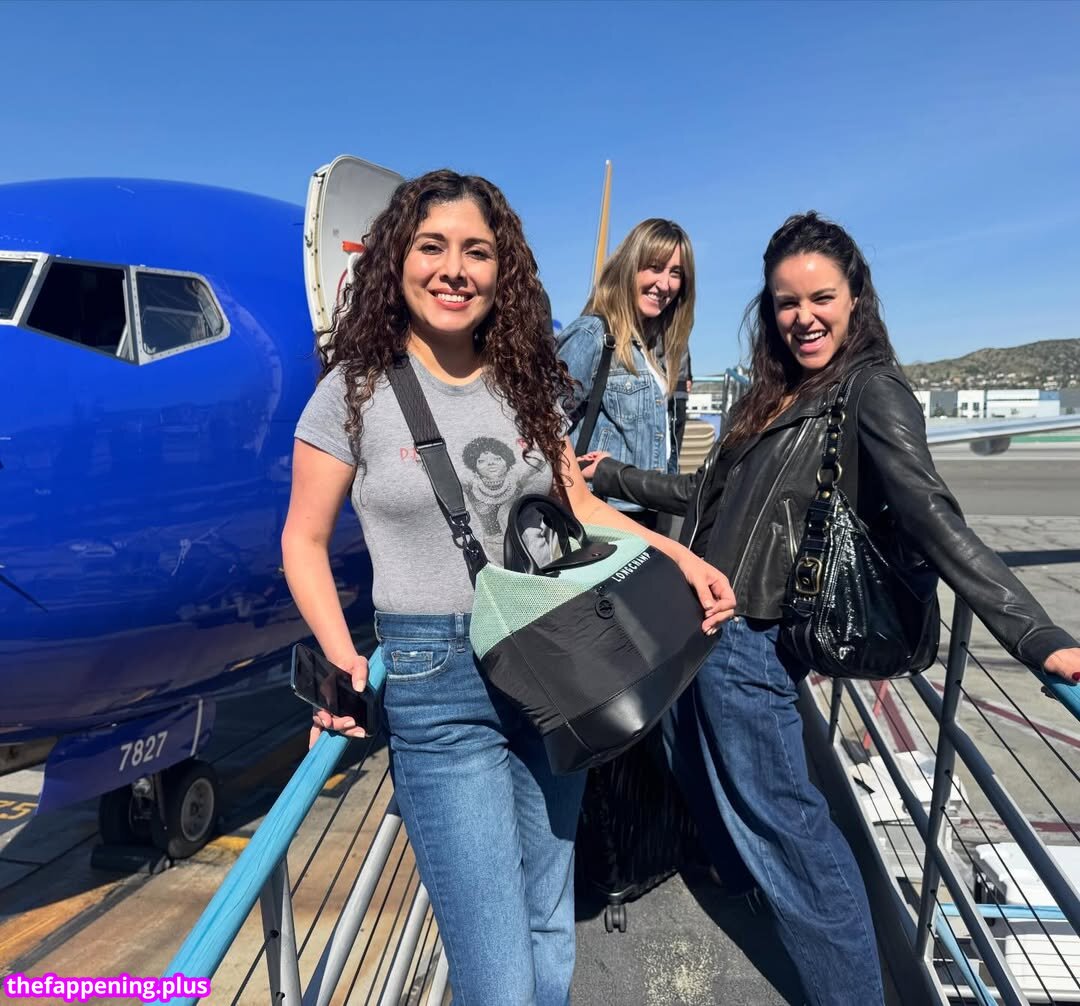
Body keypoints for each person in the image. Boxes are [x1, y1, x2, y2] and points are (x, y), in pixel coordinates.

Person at [580, 211, 1080, 1006]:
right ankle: (737, 881)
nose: (803, 317)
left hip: (753, 640)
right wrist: (610, 477)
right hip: (708, 623)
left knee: (797, 845)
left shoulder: (871, 389)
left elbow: (932, 515)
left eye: (821, 299)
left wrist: (1035, 634)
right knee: (739, 805)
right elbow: (705, 494)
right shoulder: (776, 392)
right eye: (787, 302)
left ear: (855, 299)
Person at [280, 170, 736, 1005]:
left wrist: (682, 559)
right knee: (496, 971)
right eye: (432, 247)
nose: (454, 270)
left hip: (550, 659)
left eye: (477, 252)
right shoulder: (353, 391)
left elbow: (580, 505)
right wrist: (343, 662)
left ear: (504, 271)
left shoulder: (524, 381)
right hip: (434, 683)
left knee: (548, 928)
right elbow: (303, 541)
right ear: (396, 260)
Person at [556, 218, 695, 522]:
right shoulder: (593, 335)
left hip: (652, 510)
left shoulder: (661, 351)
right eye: (655, 267)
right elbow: (542, 423)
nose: (665, 284)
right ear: (629, 267)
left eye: (675, 273)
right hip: (600, 514)